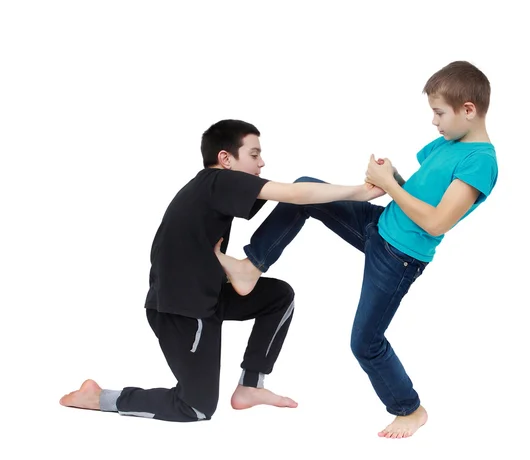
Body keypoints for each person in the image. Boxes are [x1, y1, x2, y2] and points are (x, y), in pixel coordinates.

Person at [214, 61, 499, 438]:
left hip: (399, 259)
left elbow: (436, 222)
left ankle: (409, 409)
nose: (434, 122)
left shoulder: (480, 162)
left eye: (439, 113)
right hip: (377, 227)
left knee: (365, 343)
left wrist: (389, 185)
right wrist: (393, 177)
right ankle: (252, 265)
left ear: (468, 109)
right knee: (305, 189)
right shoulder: (449, 143)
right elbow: (419, 193)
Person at [59, 119, 385, 422]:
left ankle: (250, 385)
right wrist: (361, 191)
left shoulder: (216, 189)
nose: (262, 163)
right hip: (182, 311)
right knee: (196, 407)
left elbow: (296, 200)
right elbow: (294, 192)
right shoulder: (217, 181)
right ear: (225, 159)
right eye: (254, 154)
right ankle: (100, 397)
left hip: (209, 297)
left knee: (278, 296)